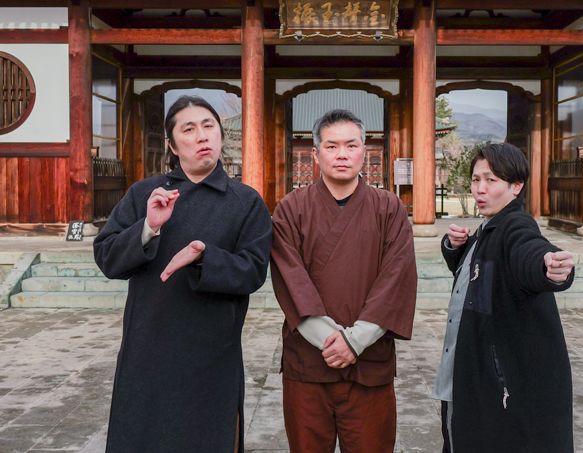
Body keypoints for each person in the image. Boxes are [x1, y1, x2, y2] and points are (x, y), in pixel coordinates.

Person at [94, 95, 272, 453]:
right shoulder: (145, 194)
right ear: (173, 146)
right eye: (188, 129)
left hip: (211, 354)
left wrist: (205, 258)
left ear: (220, 135)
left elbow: (253, 271)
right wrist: (148, 227)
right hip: (148, 349)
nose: (202, 135)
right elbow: (107, 257)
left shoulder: (246, 201)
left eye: (209, 126)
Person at [270, 109, 417, 453]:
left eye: (351, 145)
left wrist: (355, 341)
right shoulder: (291, 208)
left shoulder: (389, 208)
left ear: (364, 152)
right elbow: (290, 279)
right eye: (331, 146)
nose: (342, 154)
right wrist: (332, 340)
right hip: (308, 363)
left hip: (369, 361)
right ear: (315, 154)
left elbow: (396, 278)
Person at [432, 143, 575, 452]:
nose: (480, 189)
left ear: (516, 186)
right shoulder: (489, 229)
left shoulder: (514, 226)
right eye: (475, 179)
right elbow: (483, 278)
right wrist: (455, 248)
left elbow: (528, 249)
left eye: (491, 180)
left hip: (498, 383)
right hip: (472, 373)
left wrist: (548, 267)